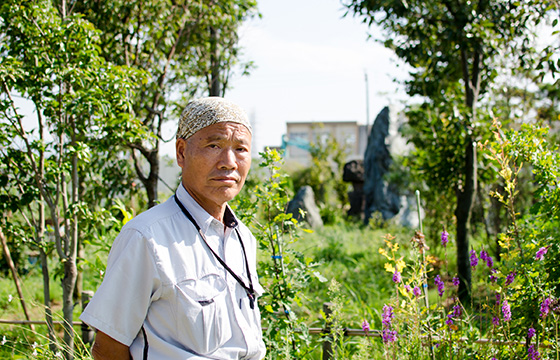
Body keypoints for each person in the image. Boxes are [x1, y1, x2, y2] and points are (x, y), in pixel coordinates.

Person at [80, 97, 266, 359]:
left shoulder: (242, 237)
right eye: (214, 145)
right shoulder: (147, 237)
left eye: (241, 149)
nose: (229, 162)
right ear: (181, 152)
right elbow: (108, 348)